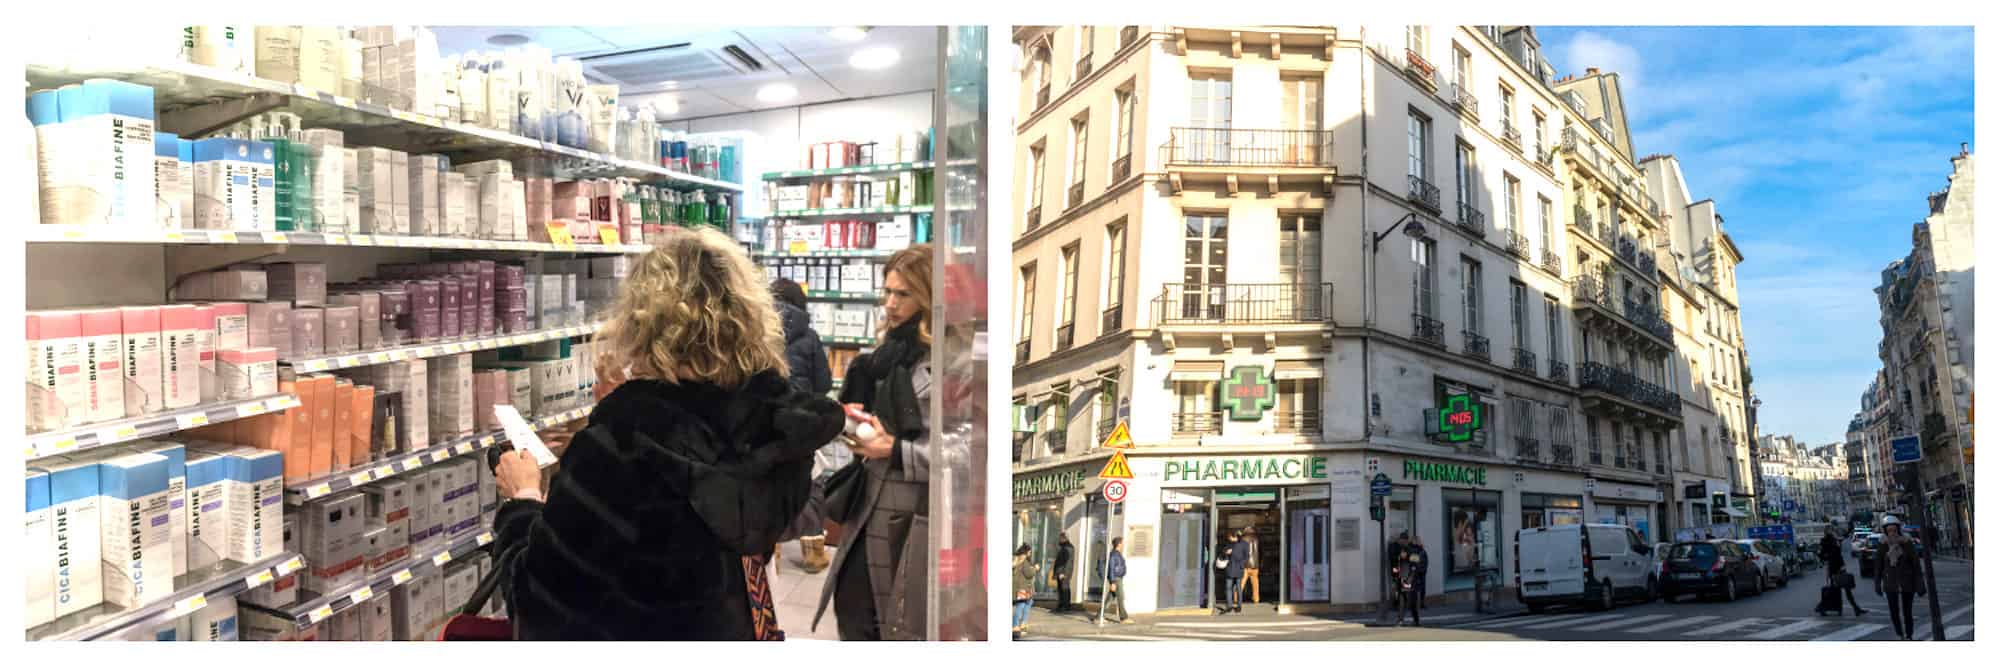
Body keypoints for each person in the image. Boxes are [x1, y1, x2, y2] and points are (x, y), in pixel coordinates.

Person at [490, 227, 845, 640]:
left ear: (645, 322)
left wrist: (524, 500)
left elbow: (539, 605)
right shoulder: (767, 427)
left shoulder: (621, 446)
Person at [814, 245, 936, 641]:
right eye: (887, 292)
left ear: (930, 296)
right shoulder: (884, 356)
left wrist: (896, 450)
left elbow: (968, 454)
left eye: (903, 294)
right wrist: (855, 425)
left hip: (913, 520)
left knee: (888, 627)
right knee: (851, 611)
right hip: (866, 507)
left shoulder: (951, 362)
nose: (890, 304)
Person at [771, 278, 837, 574]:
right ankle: (813, 552)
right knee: (811, 481)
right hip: (805, 420)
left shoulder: (759, 332)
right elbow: (823, 382)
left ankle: (771, 549)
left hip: (770, 419)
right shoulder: (809, 336)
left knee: (770, 479)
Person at [1874, 516, 1926, 640]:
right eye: (1889, 530)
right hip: (1890, 582)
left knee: (1908, 612)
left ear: (1898, 529)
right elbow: (1878, 565)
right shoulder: (1882, 544)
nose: (1892, 533)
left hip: (1907, 581)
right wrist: (1877, 583)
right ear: (1885, 531)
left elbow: (1915, 563)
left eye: (1894, 530)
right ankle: (1899, 634)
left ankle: (1909, 635)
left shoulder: (1907, 542)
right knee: (1894, 611)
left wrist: (1920, 583)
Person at [1819, 531, 1867, 616]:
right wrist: (1841, 567)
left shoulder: (1829, 547)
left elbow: (1824, 557)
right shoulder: (1834, 547)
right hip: (1838, 571)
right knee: (1841, 591)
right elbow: (1836, 559)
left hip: (1834, 571)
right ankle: (1821, 607)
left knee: (1834, 591)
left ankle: (1855, 609)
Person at [1398, 536, 1430, 626]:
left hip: (1409, 579)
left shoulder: (1412, 550)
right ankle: (1411, 620)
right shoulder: (1410, 550)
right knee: (1407, 601)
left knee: (1408, 601)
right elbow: (1412, 566)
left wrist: (1409, 578)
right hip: (1409, 579)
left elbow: (1414, 566)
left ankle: (1407, 620)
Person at [1012, 544, 1038, 639]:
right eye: (1030, 552)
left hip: (1018, 587)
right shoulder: (1024, 561)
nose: (1030, 554)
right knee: (1021, 606)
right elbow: (1029, 574)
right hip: (1022, 588)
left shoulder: (1016, 559)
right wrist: (1035, 569)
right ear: (1026, 552)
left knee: (1029, 602)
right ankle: (1015, 626)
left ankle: (1023, 624)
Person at [1220, 530, 1249, 614]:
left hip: (1238, 568)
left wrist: (1241, 565)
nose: (1229, 538)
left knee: (1238, 588)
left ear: (1235, 536)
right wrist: (1226, 552)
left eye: (1230, 537)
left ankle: (1239, 605)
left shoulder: (1244, 544)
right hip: (1230, 568)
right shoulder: (1229, 543)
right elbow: (1223, 552)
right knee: (1228, 587)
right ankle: (1229, 606)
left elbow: (1247, 556)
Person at [1104, 537, 1131, 624]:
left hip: (1118, 578)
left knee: (1110, 599)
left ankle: (1099, 616)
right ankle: (1124, 618)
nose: (1124, 545)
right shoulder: (1114, 555)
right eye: (1123, 543)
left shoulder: (1117, 554)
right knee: (1120, 598)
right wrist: (1112, 582)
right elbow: (1111, 569)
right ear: (1119, 544)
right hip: (1116, 579)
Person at [1052, 533, 1076, 612]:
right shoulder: (1064, 547)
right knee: (1061, 588)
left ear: (1064, 538)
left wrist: (1064, 573)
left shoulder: (1068, 547)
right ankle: (1062, 605)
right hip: (1061, 571)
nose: (1059, 540)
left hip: (1064, 572)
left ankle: (1065, 606)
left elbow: (1068, 562)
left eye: (1060, 538)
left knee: (1064, 588)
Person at [1240, 526, 1262, 607]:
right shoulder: (1257, 539)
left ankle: (1236, 598)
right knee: (1255, 583)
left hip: (1245, 565)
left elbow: (1240, 552)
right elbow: (1261, 552)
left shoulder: (1243, 539)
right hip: (1255, 565)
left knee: (1241, 583)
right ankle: (1256, 599)